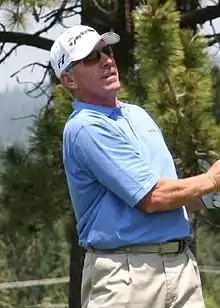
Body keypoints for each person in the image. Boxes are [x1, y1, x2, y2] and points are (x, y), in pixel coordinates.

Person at [50, 24, 220, 308]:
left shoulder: (138, 115)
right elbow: (153, 197)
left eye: (107, 50)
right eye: (91, 57)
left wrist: (210, 194)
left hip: (181, 267)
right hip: (125, 276)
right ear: (69, 79)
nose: (106, 60)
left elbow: (173, 198)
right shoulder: (84, 127)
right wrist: (213, 180)